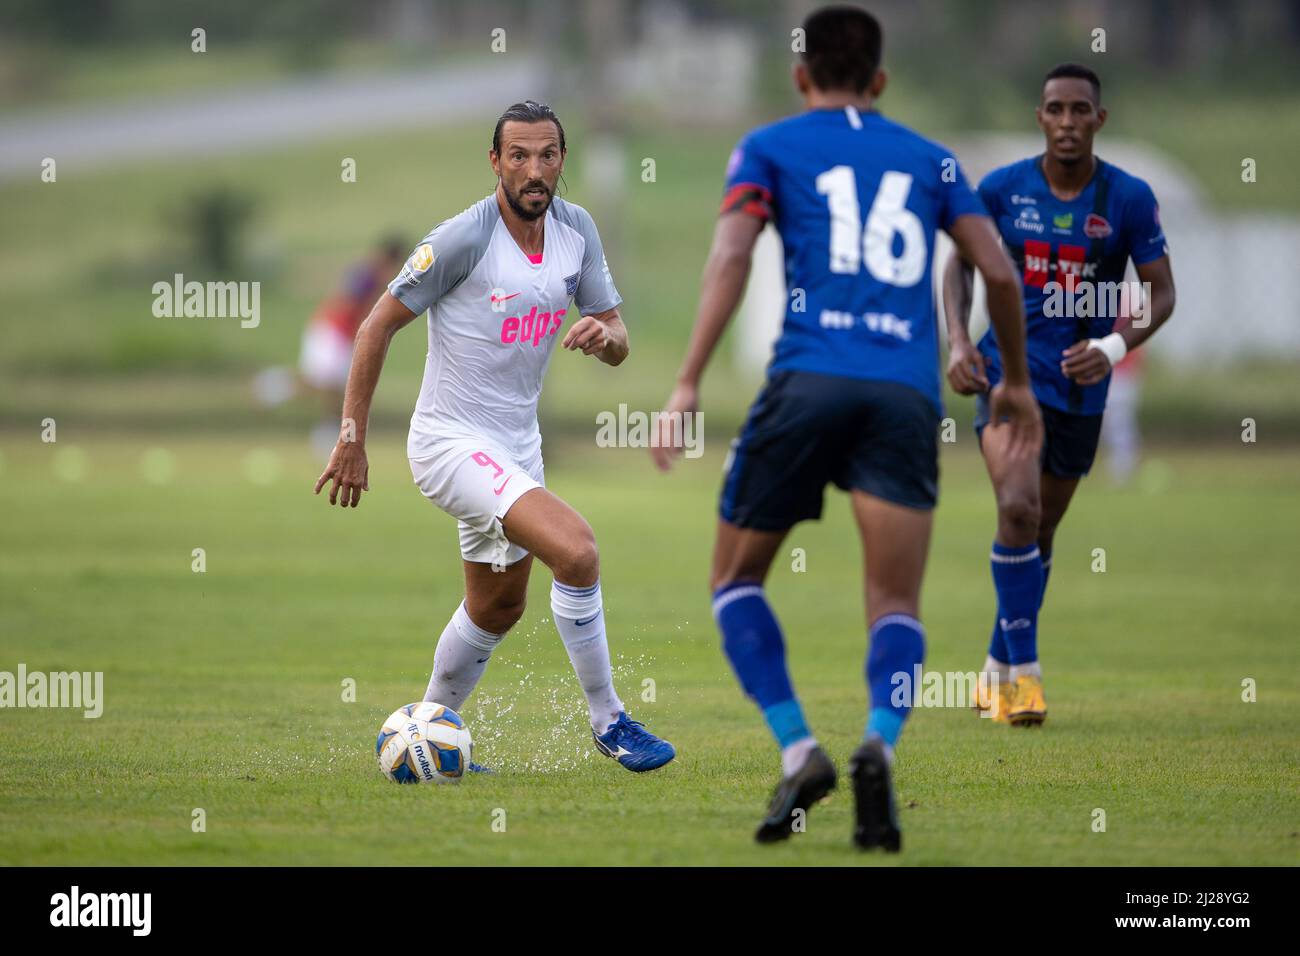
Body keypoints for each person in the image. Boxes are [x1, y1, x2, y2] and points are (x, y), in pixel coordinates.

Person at [652, 5, 1040, 849]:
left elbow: (730, 256)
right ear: (881, 79)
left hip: (806, 383)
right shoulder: (930, 158)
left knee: (735, 581)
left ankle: (799, 748)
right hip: (903, 399)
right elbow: (999, 271)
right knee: (895, 600)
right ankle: (878, 745)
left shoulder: (769, 147)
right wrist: (1013, 382)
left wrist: (686, 382)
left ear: (801, 76)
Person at [314, 101, 675, 773]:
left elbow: (619, 335)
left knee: (498, 607)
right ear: (495, 163)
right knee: (577, 551)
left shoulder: (577, 231)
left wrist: (606, 338)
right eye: (519, 156)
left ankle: (421, 738)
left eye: (546, 156)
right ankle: (610, 722)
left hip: (516, 449)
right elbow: (374, 327)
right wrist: (352, 437)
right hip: (449, 443)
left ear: (561, 161)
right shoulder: (462, 239)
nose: (533, 170)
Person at [942, 64, 1176, 726]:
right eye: (1055, 109)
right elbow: (958, 264)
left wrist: (1112, 348)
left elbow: (1162, 292)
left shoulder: (1127, 199)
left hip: (1080, 387)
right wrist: (959, 341)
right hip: (1006, 376)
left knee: (1039, 532)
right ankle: (1025, 682)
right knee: (1017, 508)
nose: (1067, 121)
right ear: (1039, 117)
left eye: (1080, 110)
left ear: (1099, 120)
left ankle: (992, 670)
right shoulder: (1001, 190)